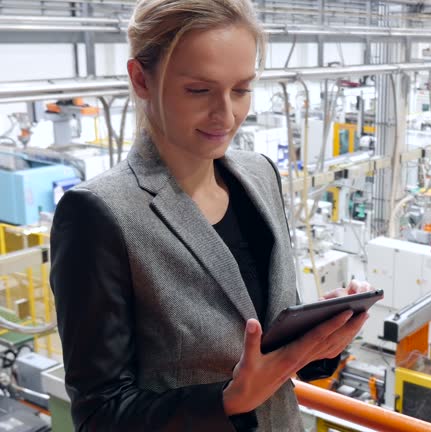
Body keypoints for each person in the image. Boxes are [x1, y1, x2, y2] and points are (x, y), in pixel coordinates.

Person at [49, 1, 370, 430]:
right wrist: (228, 401)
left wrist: (319, 342)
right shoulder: (98, 214)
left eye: (241, 89)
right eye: (199, 91)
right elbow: (99, 415)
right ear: (141, 79)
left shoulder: (259, 175)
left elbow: (271, 345)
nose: (226, 114)